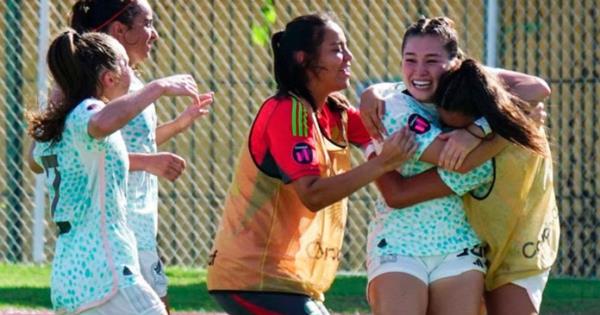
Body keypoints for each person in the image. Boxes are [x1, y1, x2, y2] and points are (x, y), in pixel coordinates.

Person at [206, 13, 417, 315]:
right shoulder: (287, 112)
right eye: (336, 49)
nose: (349, 56)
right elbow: (313, 193)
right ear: (304, 59)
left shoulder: (335, 112)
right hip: (254, 278)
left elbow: (390, 125)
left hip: (291, 284)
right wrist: (381, 164)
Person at [358, 17, 552, 315]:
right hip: (399, 247)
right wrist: (513, 128)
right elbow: (459, 162)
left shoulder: (475, 101)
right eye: (410, 60)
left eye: (432, 60)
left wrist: (479, 129)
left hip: (466, 246)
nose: (419, 71)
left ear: (456, 63)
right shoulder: (394, 108)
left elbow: (538, 87)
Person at [27, 30, 203, 315]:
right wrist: (158, 87)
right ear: (109, 78)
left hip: (68, 275)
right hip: (106, 270)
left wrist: (148, 160)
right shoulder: (89, 109)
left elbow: (36, 160)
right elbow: (101, 122)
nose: (132, 75)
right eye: (125, 66)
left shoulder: (59, 126)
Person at [69, 0, 213, 310]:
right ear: (120, 30)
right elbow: (86, 153)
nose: (155, 34)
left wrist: (178, 125)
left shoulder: (131, 82)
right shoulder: (99, 86)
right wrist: (150, 162)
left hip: (142, 222)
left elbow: (131, 142)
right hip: (114, 224)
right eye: (147, 24)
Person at [431, 59, 559, 315]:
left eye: (460, 129)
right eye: (446, 128)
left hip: (521, 251)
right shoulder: (517, 120)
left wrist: (477, 132)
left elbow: (539, 88)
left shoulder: (522, 128)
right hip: (471, 248)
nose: (451, 139)